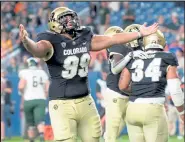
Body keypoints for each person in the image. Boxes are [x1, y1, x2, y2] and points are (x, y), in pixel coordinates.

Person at [19, 6, 158, 142]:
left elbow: (112, 39)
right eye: (65, 18)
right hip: (61, 103)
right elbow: (37, 49)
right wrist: (26, 41)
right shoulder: (50, 40)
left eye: (71, 17)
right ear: (55, 23)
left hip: (85, 100)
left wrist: (139, 33)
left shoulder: (83, 36)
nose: (70, 21)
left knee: (93, 138)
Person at [119, 30, 184, 142]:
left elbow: (123, 86)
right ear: (162, 42)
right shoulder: (167, 57)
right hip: (153, 109)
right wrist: (182, 112)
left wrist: (139, 91)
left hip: (132, 109)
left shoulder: (134, 57)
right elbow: (175, 89)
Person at [103, 25, 147, 142]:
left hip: (129, 95)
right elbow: (115, 69)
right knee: (112, 132)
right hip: (116, 94)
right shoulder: (118, 46)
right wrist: (130, 56)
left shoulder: (135, 50)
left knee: (134, 131)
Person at [18, 57, 50, 142]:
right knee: (40, 121)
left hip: (28, 99)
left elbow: (21, 86)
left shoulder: (24, 72)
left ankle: (32, 140)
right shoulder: (42, 73)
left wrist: (23, 93)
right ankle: (42, 137)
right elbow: (47, 86)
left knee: (30, 123)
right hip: (40, 99)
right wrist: (45, 94)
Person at [1, 69, 13, 141]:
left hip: (7, 102)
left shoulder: (8, 81)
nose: (3, 74)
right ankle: (3, 135)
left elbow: (10, 90)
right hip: (2, 102)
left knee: (8, 119)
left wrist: (3, 88)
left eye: (3, 72)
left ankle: (9, 135)